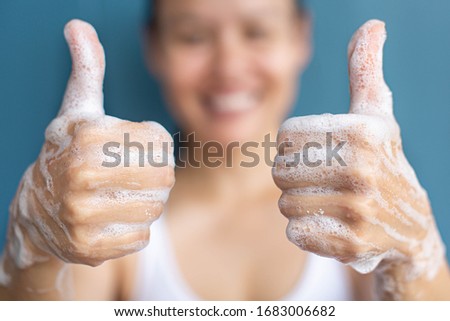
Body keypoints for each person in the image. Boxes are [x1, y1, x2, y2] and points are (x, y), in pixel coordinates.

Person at [0, 0, 449, 301]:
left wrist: (416, 255)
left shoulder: (358, 216)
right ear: (154, 48)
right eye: (193, 37)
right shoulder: (108, 223)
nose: (229, 68)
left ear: (300, 38)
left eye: (256, 32)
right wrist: (33, 251)